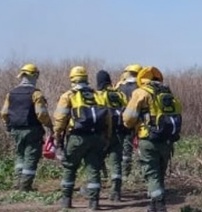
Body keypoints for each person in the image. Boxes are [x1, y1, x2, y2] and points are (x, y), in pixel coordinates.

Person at [123, 66, 182, 212]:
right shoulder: (168, 93)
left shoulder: (141, 93)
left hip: (148, 140)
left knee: (151, 174)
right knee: (159, 174)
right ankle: (152, 206)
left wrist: (130, 124)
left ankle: (160, 206)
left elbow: (128, 118)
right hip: (167, 141)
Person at [53, 66, 112, 210]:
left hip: (77, 138)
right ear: (86, 78)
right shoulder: (98, 95)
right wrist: (107, 137)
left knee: (69, 167)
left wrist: (57, 137)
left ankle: (66, 201)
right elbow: (108, 119)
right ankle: (94, 203)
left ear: (72, 79)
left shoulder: (68, 95)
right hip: (97, 137)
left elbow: (60, 119)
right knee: (93, 169)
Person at [0, 63, 53, 192]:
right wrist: (49, 125)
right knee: (31, 157)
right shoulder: (36, 94)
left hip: (15, 129)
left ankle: (17, 184)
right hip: (32, 130)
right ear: (34, 76)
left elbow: (4, 113)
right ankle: (25, 187)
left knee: (20, 156)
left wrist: (8, 125)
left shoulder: (11, 93)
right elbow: (41, 113)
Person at [96, 70, 128, 201]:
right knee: (116, 163)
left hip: (103, 135)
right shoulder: (120, 95)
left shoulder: (98, 95)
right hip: (119, 134)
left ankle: (94, 190)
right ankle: (116, 191)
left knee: (95, 162)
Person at [116, 64, 143, 177]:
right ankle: (140, 172)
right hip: (137, 122)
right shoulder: (139, 88)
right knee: (139, 148)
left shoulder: (118, 86)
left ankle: (124, 172)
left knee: (124, 149)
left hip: (120, 122)